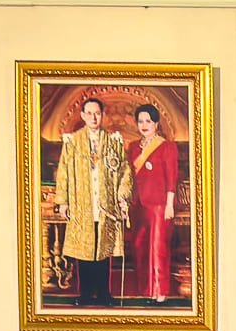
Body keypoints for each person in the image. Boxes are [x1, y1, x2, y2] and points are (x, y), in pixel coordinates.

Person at [53, 94, 128, 307]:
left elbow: (124, 171)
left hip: (106, 206)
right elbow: (63, 172)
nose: (94, 118)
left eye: (97, 113)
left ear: (102, 115)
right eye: (90, 113)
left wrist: (122, 196)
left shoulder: (113, 141)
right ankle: (85, 294)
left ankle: (104, 294)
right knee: (84, 252)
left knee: (103, 251)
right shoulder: (73, 141)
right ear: (83, 115)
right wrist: (63, 201)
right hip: (81, 204)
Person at [127, 103, 179, 303]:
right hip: (138, 205)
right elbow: (130, 177)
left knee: (158, 249)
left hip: (159, 206)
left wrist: (169, 204)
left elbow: (172, 177)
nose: (144, 125)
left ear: (156, 123)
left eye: (148, 121)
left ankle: (160, 292)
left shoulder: (166, 147)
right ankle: (147, 290)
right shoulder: (133, 147)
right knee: (140, 247)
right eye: (140, 121)